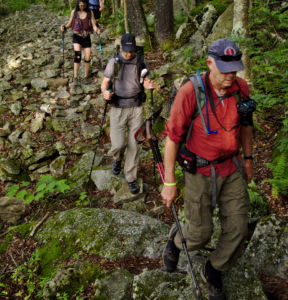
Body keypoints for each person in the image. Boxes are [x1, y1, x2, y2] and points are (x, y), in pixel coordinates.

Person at [161, 39, 254, 300]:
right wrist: (169, 182)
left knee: (238, 229)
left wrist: (248, 159)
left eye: (234, 68)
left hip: (231, 167)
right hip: (200, 171)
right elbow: (173, 138)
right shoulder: (191, 92)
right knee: (200, 234)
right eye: (224, 69)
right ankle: (176, 240)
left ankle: (213, 268)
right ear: (209, 62)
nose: (230, 75)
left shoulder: (241, 88)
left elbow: (246, 126)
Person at [101, 33, 156, 194]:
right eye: (126, 50)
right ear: (121, 47)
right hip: (118, 107)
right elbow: (105, 82)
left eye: (131, 50)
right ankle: (117, 159)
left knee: (135, 143)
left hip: (136, 107)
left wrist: (148, 85)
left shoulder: (140, 61)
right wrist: (105, 93)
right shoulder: (115, 62)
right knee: (117, 145)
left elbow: (145, 79)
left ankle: (131, 176)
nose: (129, 53)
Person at [61, 0, 100, 86]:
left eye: (84, 5)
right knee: (77, 56)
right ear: (78, 4)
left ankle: (86, 77)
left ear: (86, 4)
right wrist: (64, 28)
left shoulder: (90, 12)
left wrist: (96, 29)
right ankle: (75, 77)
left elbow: (93, 24)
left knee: (87, 57)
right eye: (80, 5)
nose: (82, 7)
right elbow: (70, 24)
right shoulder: (74, 12)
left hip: (86, 37)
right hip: (77, 36)